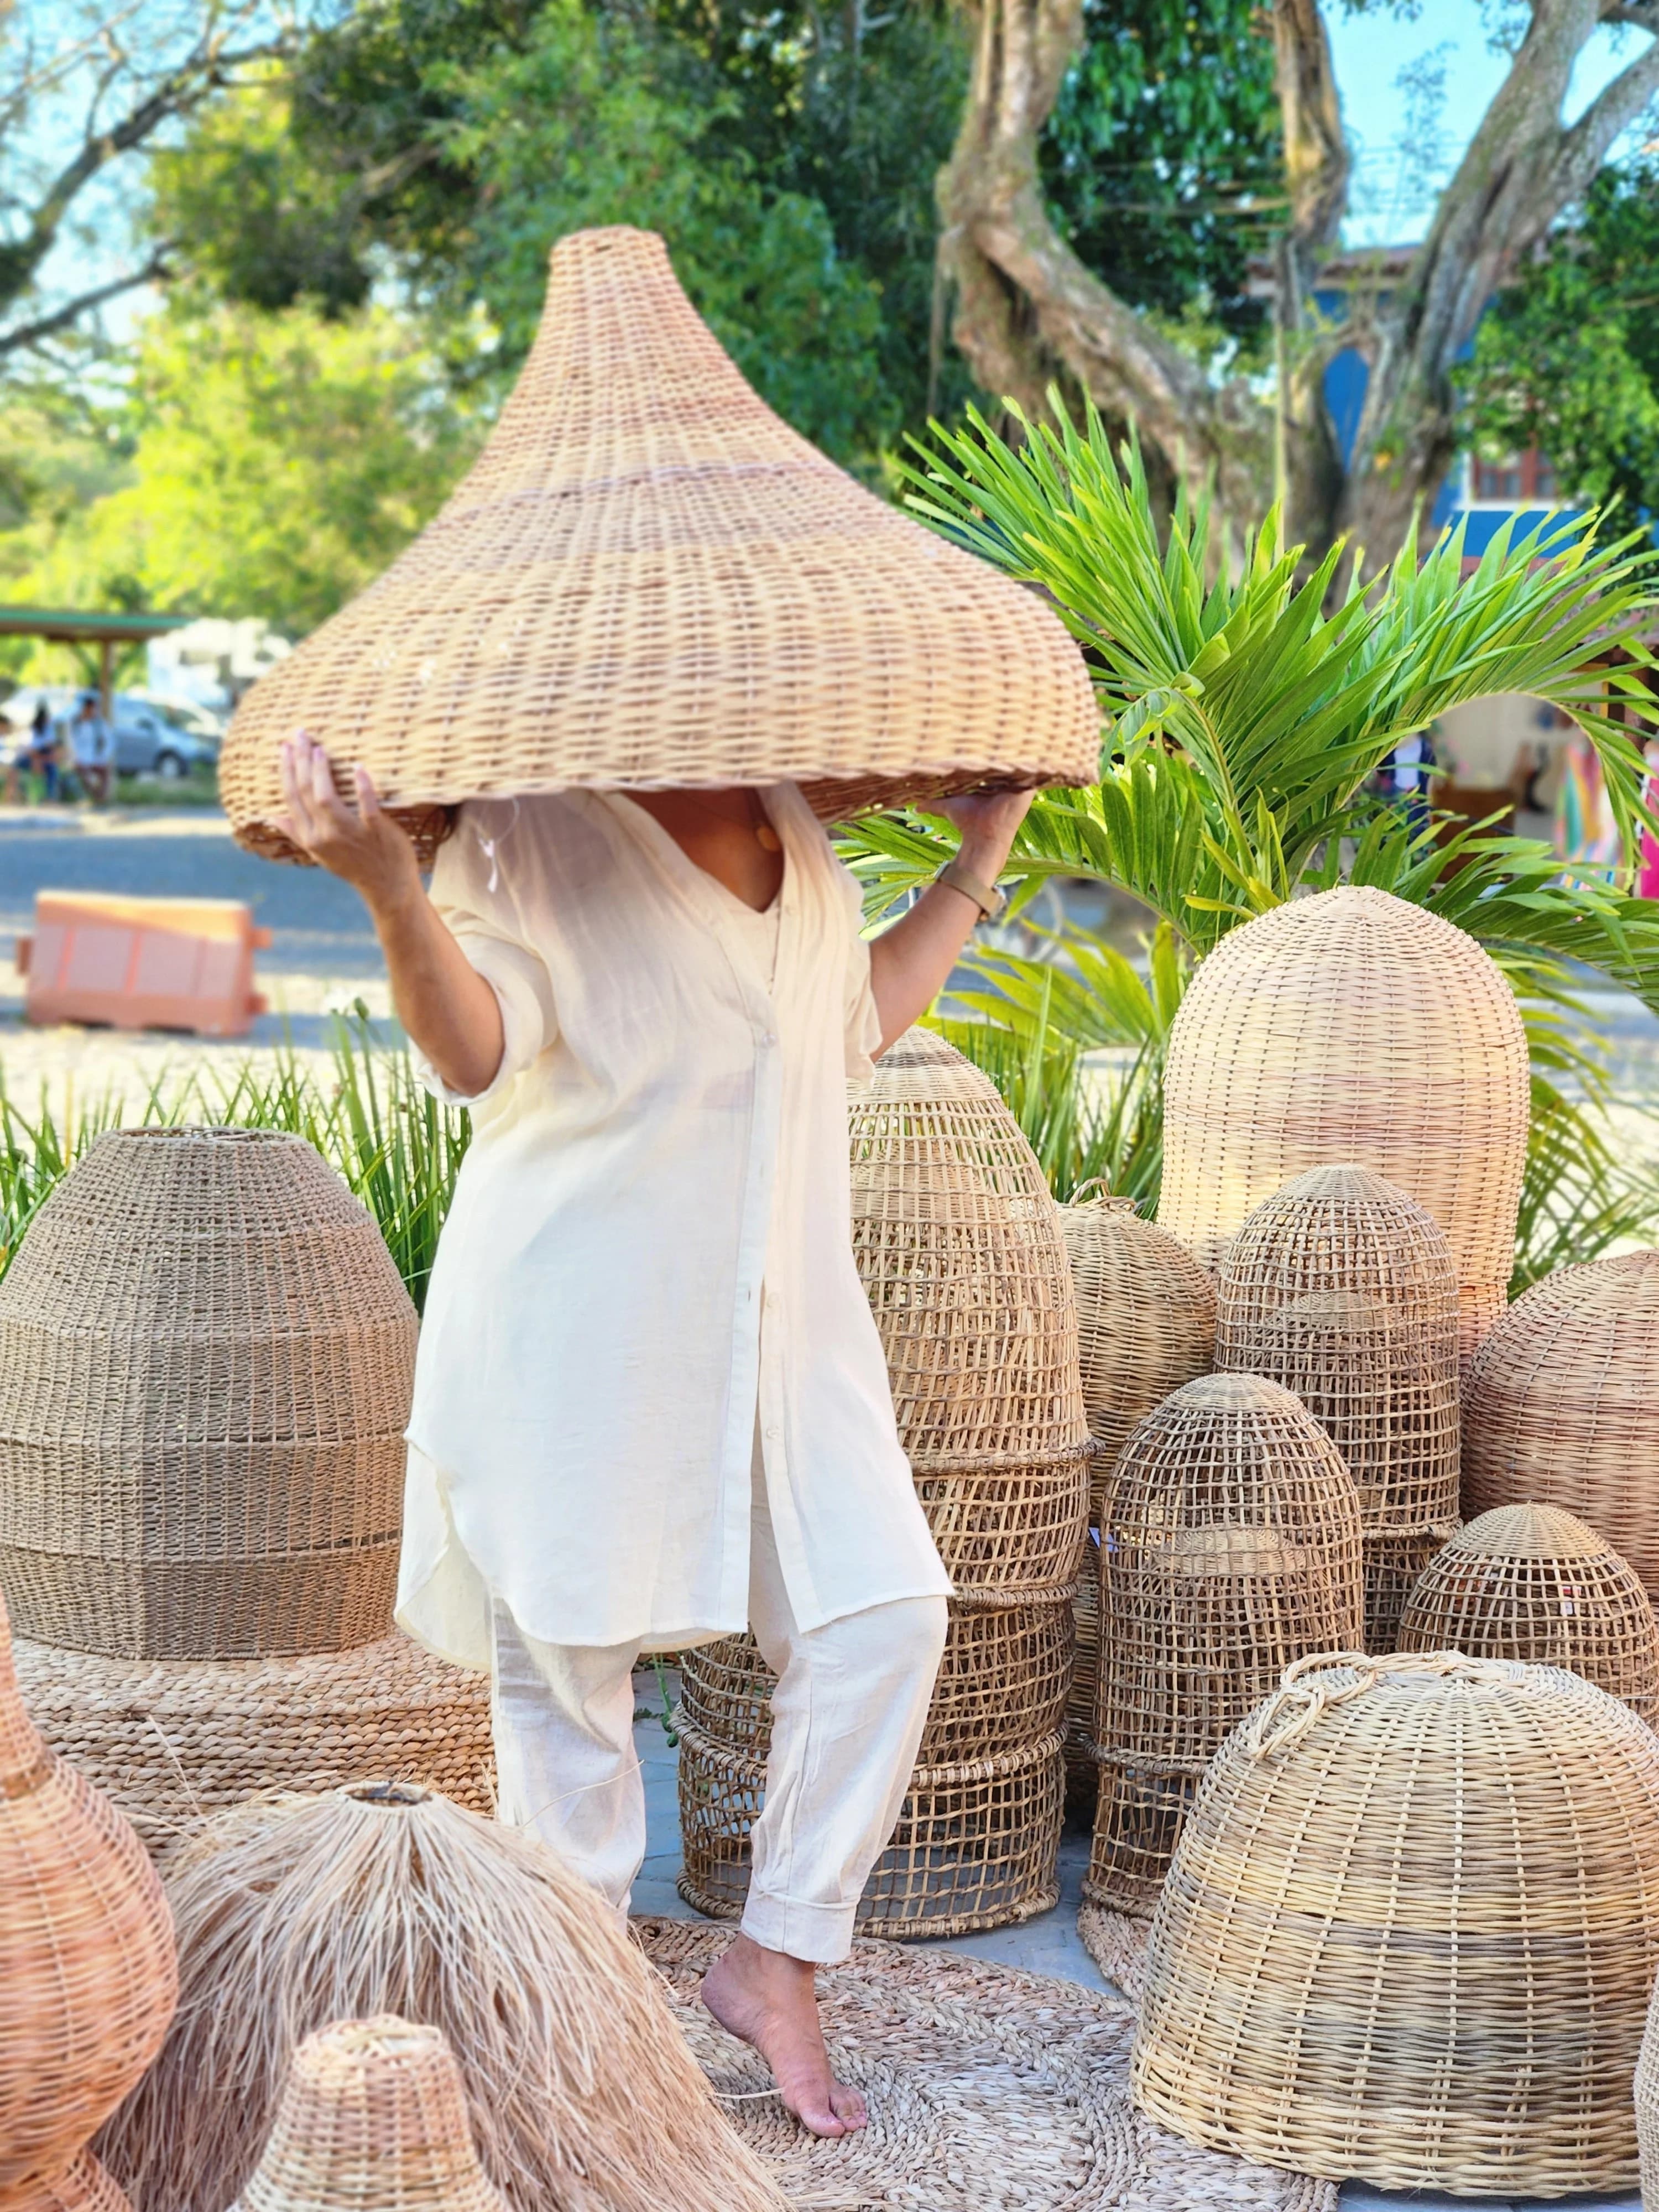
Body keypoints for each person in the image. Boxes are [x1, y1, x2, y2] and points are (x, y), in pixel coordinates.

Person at [275, 732, 1035, 2140]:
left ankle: (774, 1958)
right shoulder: (528, 823)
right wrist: (390, 889)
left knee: (883, 1614)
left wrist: (975, 858)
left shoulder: (785, 802)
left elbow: (847, 1022)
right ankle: (572, 2016)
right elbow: (475, 1051)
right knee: (572, 1682)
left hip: (786, 1325)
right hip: (581, 1317)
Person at [69, 692, 112, 803]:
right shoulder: (75, 724)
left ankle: (101, 798)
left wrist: (103, 757)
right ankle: (91, 797)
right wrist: (77, 759)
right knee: (84, 774)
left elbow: (109, 742)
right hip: (80, 759)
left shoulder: (100, 724)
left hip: (97, 758)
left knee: (105, 772)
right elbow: (72, 744)